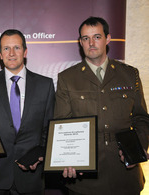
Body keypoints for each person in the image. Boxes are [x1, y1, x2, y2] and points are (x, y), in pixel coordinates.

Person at [54, 16, 149, 195]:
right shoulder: (67, 78)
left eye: (97, 37)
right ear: (80, 42)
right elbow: (62, 124)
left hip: (125, 174)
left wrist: (138, 147)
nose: (91, 43)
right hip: (86, 179)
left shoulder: (129, 74)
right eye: (85, 38)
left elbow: (141, 118)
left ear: (108, 38)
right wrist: (67, 159)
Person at [0, 29, 55, 195]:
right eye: (6, 48)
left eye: (17, 48)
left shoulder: (45, 85)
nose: (11, 53)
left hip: (30, 175)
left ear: (25, 52)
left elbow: (50, 129)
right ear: (0, 54)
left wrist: (40, 155)